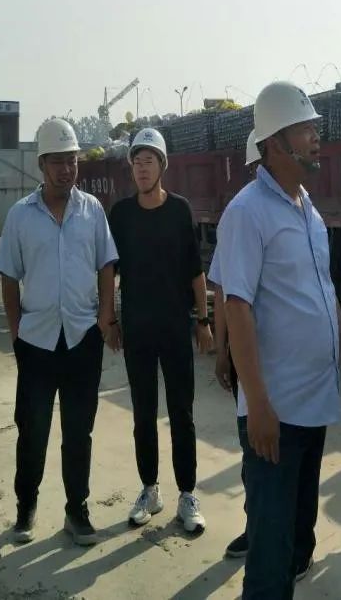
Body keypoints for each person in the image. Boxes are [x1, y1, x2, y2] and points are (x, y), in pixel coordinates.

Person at [215, 83, 341, 599]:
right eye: (306, 129)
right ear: (274, 142)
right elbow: (236, 307)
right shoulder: (247, 212)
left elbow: (325, 296)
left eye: (314, 128)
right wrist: (258, 404)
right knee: (269, 550)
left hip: (312, 405)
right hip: (276, 414)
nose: (316, 138)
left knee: (293, 538)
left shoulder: (308, 209)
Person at [0, 117, 119, 547]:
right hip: (37, 342)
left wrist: (104, 318)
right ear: (41, 164)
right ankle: (25, 507)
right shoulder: (21, 216)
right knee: (33, 429)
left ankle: (76, 510)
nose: (67, 170)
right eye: (59, 162)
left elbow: (106, 265)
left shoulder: (92, 210)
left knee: (79, 431)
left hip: (82, 339)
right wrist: (16, 333)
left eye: (73, 161)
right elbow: (9, 277)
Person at [108, 127, 214, 534]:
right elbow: (109, 272)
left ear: (162, 166)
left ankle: (187, 494)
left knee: (182, 412)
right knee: (143, 413)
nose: (141, 168)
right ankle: (150, 490)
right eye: (136, 162)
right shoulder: (121, 215)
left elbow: (195, 270)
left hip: (174, 328)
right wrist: (110, 320)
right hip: (137, 329)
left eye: (149, 161)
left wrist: (202, 321)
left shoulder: (179, 210)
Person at [210, 130, 259, 560]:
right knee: (252, 449)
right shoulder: (240, 215)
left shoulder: (302, 211)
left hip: (286, 360)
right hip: (250, 357)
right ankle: (255, 526)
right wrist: (222, 350)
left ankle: (295, 542)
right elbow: (224, 290)